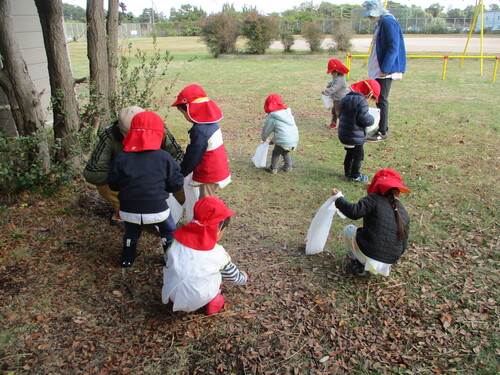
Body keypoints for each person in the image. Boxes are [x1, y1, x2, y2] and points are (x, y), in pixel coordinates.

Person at [108, 111, 185, 268]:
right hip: (158, 209)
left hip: (129, 209)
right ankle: (169, 257)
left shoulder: (122, 158)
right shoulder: (164, 158)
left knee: (131, 232)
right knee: (168, 230)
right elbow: (176, 183)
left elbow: (113, 184)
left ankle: (127, 258)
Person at [83, 106, 184, 225]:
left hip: (159, 178)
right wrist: (125, 173)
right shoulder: (109, 136)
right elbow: (92, 172)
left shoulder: (157, 127)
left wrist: (163, 171)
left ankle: (176, 209)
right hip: (127, 181)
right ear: (120, 130)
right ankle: (123, 210)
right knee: (104, 186)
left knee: (182, 176)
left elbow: (178, 154)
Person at [162, 197, 248, 315]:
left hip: (170, 294)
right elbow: (234, 277)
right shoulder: (218, 254)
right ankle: (214, 302)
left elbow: (167, 259)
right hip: (198, 299)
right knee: (218, 274)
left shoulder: (176, 242)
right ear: (217, 229)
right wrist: (243, 277)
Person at [331, 168, 410, 276]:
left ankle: (358, 263)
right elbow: (404, 241)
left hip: (369, 255)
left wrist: (339, 198)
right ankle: (379, 265)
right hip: (390, 260)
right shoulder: (403, 211)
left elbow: (354, 212)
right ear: (397, 191)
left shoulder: (373, 198)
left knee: (349, 230)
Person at [171, 84, 231, 199]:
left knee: (206, 202)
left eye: (183, 113)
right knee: (206, 199)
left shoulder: (200, 131)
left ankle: (213, 217)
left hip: (210, 172)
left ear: (190, 109)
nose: (184, 116)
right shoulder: (210, 123)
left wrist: (181, 173)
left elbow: (193, 156)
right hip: (217, 167)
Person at [363, 0, 406, 142]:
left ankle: (382, 131)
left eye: (371, 15)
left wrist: (385, 69)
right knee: (378, 98)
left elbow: (394, 46)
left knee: (382, 99)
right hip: (379, 69)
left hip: (385, 71)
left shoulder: (388, 22)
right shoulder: (381, 23)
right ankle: (379, 126)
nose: (370, 18)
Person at [338, 79, 380, 183]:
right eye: (372, 100)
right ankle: (355, 175)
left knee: (349, 154)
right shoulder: (362, 102)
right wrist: (372, 119)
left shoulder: (345, 98)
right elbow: (364, 119)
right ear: (370, 95)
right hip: (355, 137)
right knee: (358, 156)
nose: (371, 102)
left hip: (344, 134)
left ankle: (347, 172)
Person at [261, 94, 299, 174]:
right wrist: (273, 140)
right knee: (284, 150)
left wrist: (264, 137)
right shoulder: (287, 114)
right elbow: (284, 132)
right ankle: (288, 166)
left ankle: (273, 168)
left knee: (276, 152)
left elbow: (267, 129)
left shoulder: (273, 116)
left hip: (283, 140)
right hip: (294, 139)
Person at [322, 58, 349, 129]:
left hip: (339, 99)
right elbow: (333, 81)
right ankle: (333, 123)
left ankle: (343, 126)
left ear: (336, 71)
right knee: (334, 111)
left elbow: (334, 89)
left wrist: (325, 91)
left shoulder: (340, 79)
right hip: (336, 99)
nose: (331, 74)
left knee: (339, 113)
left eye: (332, 72)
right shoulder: (337, 76)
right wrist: (329, 83)